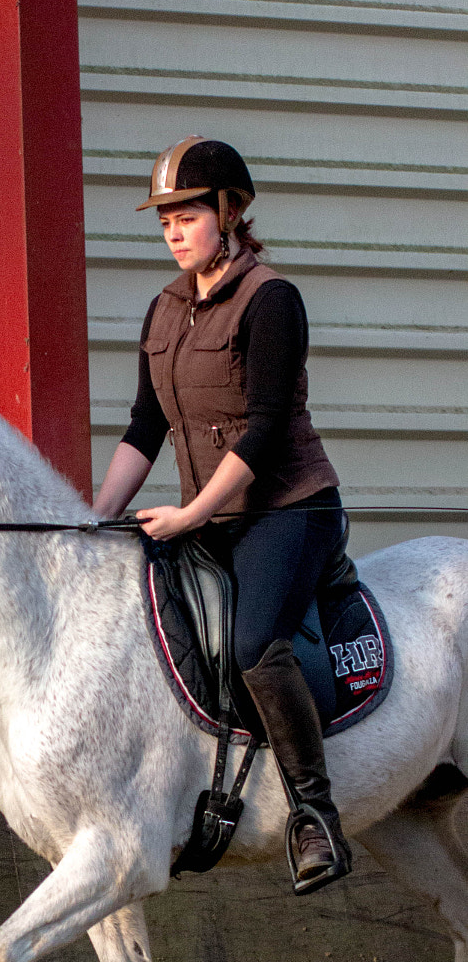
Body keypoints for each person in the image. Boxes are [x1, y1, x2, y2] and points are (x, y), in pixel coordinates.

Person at [93, 135, 353, 894]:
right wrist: (95, 514)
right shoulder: (165, 307)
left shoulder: (270, 298)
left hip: (286, 508)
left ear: (230, 211)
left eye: (187, 214)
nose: (173, 230)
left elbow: (265, 431)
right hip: (207, 517)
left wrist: (187, 514)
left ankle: (313, 816)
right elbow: (145, 427)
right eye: (164, 219)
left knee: (251, 644)